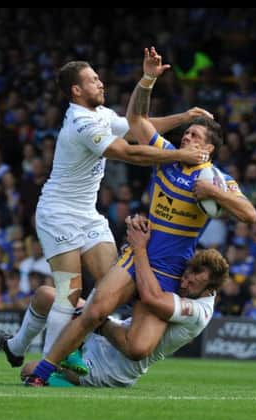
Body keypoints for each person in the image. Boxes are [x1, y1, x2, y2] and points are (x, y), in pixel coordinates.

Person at [23, 47, 256, 386]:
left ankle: (81, 349)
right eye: (187, 134)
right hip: (139, 249)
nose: (187, 137)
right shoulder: (167, 156)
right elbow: (135, 121)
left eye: (195, 136)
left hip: (170, 268)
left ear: (208, 149)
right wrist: (147, 79)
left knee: (138, 347)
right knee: (94, 309)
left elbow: (249, 214)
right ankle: (43, 373)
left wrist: (216, 194)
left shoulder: (215, 180)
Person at [34, 59, 213, 358]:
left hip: (87, 214)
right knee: (69, 294)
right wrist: (180, 154)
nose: (101, 82)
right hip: (58, 212)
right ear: (77, 90)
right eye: (93, 80)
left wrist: (183, 117)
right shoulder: (82, 123)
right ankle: (50, 364)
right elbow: (128, 152)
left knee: (111, 289)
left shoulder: (100, 114)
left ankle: (17, 345)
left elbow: (137, 127)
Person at [19, 214, 229, 387]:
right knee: (45, 295)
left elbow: (150, 298)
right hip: (112, 335)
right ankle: (16, 346)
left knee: (28, 371)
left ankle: (63, 381)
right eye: (185, 276)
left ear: (210, 289)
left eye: (192, 284)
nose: (183, 284)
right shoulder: (187, 284)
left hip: (114, 368)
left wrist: (139, 249)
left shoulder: (198, 312)